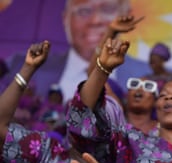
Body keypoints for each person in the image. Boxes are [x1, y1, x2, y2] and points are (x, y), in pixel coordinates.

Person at [1, 0, 151, 102]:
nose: (95, 20)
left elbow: (96, 72)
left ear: (128, 14)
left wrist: (110, 32)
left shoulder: (150, 77)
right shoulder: (20, 66)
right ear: (65, 18)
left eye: (108, 9)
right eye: (84, 11)